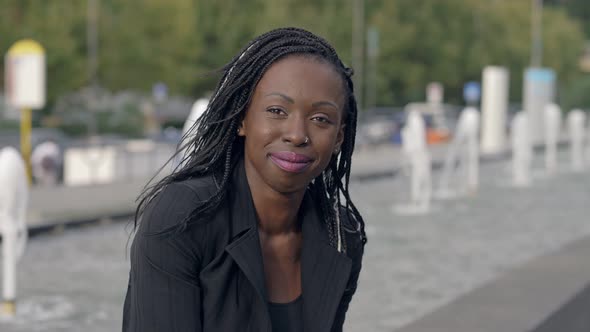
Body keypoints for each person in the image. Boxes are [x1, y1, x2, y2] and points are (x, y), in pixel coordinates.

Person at [123, 27, 367, 332]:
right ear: (242, 119)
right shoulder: (183, 217)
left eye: (321, 119)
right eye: (277, 110)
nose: (297, 134)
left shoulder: (341, 236)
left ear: (339, 137)